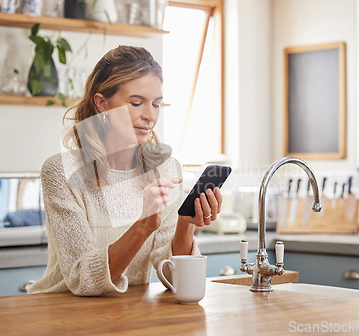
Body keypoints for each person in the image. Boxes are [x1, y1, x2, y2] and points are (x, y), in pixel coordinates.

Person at [28, 45, 223, 296]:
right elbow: (83, 279)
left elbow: (175, 277)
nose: (150, 116)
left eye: (156, 104)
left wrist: (185, 224)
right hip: (63, 312)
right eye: (136, 103)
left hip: (127, 313)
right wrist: (142, 226)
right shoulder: (60, 172)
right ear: (102, 104)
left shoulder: (165, 169)